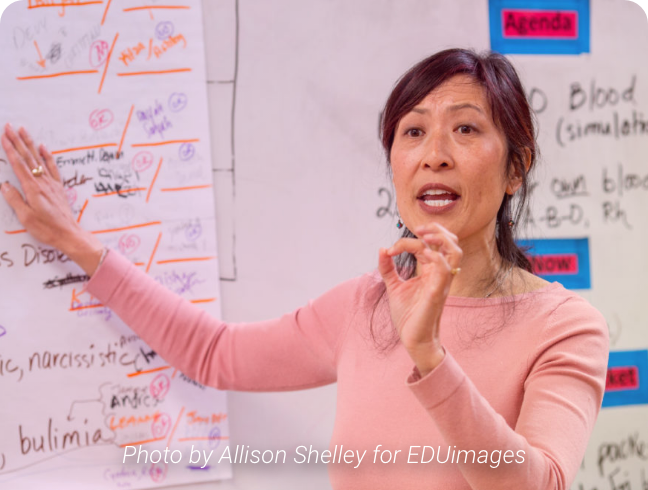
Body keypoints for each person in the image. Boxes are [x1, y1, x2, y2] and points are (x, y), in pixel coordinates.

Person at [0, 48, 608, 489]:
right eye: (412, 132)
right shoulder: (365, 306)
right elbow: (213, 353)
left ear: (515, 167)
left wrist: (428, 355)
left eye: (466, 129)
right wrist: (77, 244)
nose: (434, 155)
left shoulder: (564, 325)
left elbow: (540, 485)